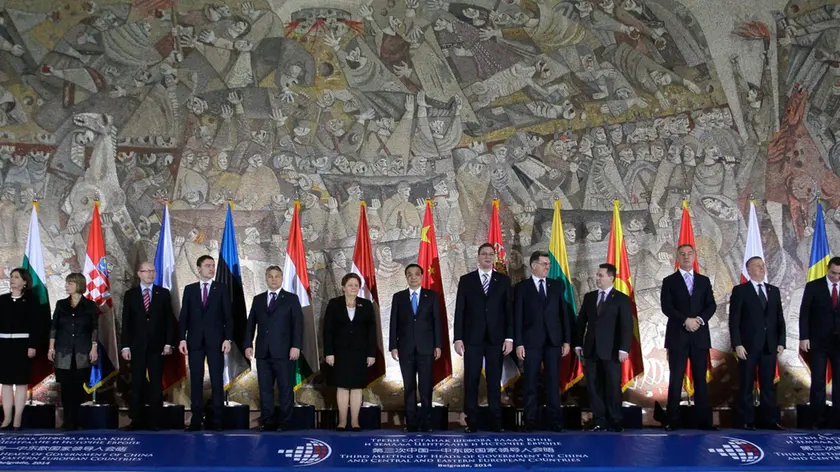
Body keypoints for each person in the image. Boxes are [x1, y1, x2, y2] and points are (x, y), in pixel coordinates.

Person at [454, 243, 513, 433]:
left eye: (490, 254)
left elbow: (508, 312)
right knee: (471, 379)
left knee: (494, 380)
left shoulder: (503, 281)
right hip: (472, 338)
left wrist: (509, 338)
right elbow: (460, 311)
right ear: (478, 257)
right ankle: (472, 422)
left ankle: (496, 422)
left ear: (494, 257)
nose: (487, 257)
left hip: (496, 339)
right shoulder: (466, 280)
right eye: (484, 254)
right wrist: (458, 338)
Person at [660, 244, 717, 431]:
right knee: (676, 379)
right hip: (678, 336)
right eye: (682, 254)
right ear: (677, 256)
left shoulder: (704, 280)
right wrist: (686, 320)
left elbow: (711, 305)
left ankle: (704, 421)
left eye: (689, 253)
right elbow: (667, 308)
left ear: (694, 255)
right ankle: (672, 420)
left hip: (699, 336)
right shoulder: (669, 281)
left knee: (700, 379)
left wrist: (699, 320)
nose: (686, 257)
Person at [514, 250, 572, 432]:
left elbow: (564, 315)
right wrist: (519, 343)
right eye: (544, 264)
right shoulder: (522, 288)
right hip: (531, 342)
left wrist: (566, 341)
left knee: (553, 382)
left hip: (554, 342)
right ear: (533, 266)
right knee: (530, 382)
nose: (548, 267)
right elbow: (517, 318)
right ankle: (531, 421)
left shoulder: (557, 286)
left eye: (549, 264)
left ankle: (555, 421)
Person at [244, 266, 303, 432]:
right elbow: (250, 325)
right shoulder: (258, 299)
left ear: (282, 278)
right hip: (263, 353)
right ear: (266, 278)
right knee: (265, 390)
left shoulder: (291, 299)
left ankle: (285, 423)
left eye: (277, 276)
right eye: (270, 276)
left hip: (285, 353)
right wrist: (248, 344)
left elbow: (297, 325)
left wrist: (296, 346)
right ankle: (268, 422)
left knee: (285, 390)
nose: (274, 279)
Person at [574, 263, 632, 432]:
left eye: (600, 275)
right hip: (591, 350)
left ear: (611, 277)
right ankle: (600, 421)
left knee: (613, 386)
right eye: (597, 275)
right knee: (594, 386)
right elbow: (581, 322)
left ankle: (615, 420)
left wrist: (624, 348)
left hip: (612, 351)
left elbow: (626, 326)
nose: (597, 278)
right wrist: (578, 343)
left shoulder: (621, 298)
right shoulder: (590, 297)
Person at [730, 256, 785, 430]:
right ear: (748, 270)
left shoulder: (773, 291)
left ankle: (769, 420)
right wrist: (737, 344)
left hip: (769, 346)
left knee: (768, 386)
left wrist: (781, 341)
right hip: (747, 346)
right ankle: (747, 420)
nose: (761, 268)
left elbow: (779, 319)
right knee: (746, 384)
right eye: (757, 266)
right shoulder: (740, 291)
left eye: (762, 265)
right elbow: (734, 320)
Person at [179, 255, 232, 432]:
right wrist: (181, 338)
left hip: (216, 341)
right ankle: (196, 419)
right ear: (199, 268)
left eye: (213, 266)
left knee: (217, 380)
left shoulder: (221, 289)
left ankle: (217, 421)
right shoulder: (190, 289)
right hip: (194, 342)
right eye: (207, 266)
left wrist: (228, 338)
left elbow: (228, 317)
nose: (211, 269)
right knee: (196, 379)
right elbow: (184, 316)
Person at [120, 262, 176, 431]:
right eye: (147, 271)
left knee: (156, 385)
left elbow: (169, 321)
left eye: (153, 271)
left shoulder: (163, 294)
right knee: (136, 384)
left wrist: (168, 343)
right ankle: (135, 420)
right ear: (139, 273)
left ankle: (155, 421)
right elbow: (126, 322)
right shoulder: (130, 295)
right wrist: (125, 346)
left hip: (158, 347)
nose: (151, 274)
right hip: (136, 347)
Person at [388, 264, 442, 433]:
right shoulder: (399, 297)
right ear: (406, 277)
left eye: (417, 274)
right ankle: (411, 423)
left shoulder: (431, 296)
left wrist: (438, 345)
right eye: (409, 274)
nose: (413, 277)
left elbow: (436, 322)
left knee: (426, 387)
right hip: (405, 348)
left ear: (422, 276)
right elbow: (393, 323)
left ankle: (426, 422)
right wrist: (393, 346)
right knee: (409, 386)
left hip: (426, 348)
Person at [323, 273, 376, 431]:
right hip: (340, 353)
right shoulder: (334, 304)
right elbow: (327, 330)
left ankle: (354, 421)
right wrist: (329, 352)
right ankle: (342, 421)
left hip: (360, 352)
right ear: (343, 287)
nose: (353, 287)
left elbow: (372, 331)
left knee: (357, 387)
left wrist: (371, 353)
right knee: (343, 386)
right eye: (350, 284)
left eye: (356, 285)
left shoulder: (366, 305)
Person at [49, 272, 98, 431]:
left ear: (78, 284)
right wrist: (51, 347)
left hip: (82, 351)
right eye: (66, 283)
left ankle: (76, 420)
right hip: (63, 351)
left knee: (77, 387)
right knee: (65, 387)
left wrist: (94, 347)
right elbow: (54, 327)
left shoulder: (90, 306)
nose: (66, 286)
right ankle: (67, 420)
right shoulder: (61, 304)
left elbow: (94, 329)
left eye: (70, 283)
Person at [800, 256, 840, 429]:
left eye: (839, 274)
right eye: (833, 273)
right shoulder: (813, 286)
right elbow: (805, 313)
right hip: (818, 341)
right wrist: (804, 337)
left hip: (839, 343)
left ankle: (837, 419)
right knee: (817, 380)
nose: (836, 277)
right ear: (827, 268)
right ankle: (817, 419)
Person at [0, 268, 39, 430]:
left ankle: (18, 418)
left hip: (22, 345)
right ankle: (7, 417)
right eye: (12, 277)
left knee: (21, 383)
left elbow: (36, 325)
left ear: (24, 282)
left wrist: (32, 345)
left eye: (17, 277)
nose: (13, 280)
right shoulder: (2, 300)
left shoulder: (31, 301)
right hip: (4, 345)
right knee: (6, 383)